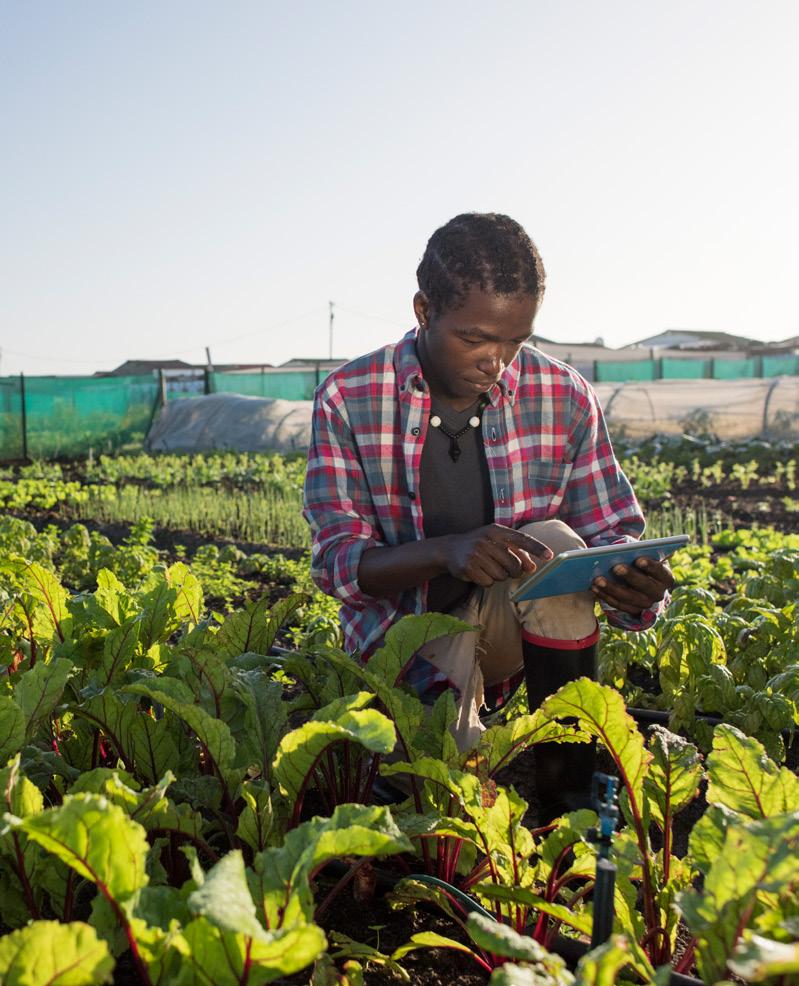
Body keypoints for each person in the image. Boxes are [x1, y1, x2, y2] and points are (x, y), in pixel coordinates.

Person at [303, 212, 674, 822]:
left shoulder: (563, 395)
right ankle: (430, 758)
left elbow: (611, 533)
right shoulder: (350, 396)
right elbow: (339, 566)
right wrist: (446, 550)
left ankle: (567, 798)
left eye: (514, 341)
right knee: (444, 805)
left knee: (556, 541)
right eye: (474, 338)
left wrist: (631, 585)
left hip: (504, 637)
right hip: (401, 646)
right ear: (423, 310)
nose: (495, 361)